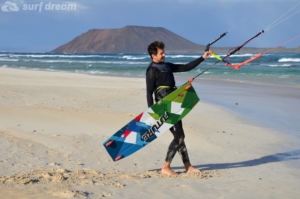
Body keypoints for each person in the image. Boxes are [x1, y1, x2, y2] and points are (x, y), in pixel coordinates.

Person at [146, 41, 212, 175]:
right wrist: (153, 112)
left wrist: (203, 57)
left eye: (164, 52)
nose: (164, 55)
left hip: (174, 102)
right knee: (179, 135)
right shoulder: (151, 70)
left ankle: (187, 166)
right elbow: (148, 93)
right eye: (161, 53)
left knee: (179, 135)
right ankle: (165, 167)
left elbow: (186, 67)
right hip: (164, 105)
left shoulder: (167, 66)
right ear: (153, 55)